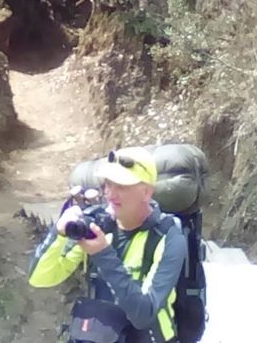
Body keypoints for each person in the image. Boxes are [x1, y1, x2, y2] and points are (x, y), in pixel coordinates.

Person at [29, 146, 186, 343]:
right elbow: (40, 278)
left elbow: (144, 314)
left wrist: (103, 254)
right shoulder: (98, 226)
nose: (110, 194)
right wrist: (58, 233)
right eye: (108, 184)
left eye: (122, 186)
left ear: (146, 192)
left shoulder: (168, 236)